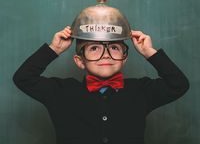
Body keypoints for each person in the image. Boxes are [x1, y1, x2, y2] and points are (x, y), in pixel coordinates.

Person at [13, 26, 189, 144]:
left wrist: (149, 53)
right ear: (80, 61)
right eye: (94, 48)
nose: (106, 55)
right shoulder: (60, 92)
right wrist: (54, 49)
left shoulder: (141, 90)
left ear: (124, 58)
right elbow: (23, 78)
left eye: (113, 48)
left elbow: (178, 85)